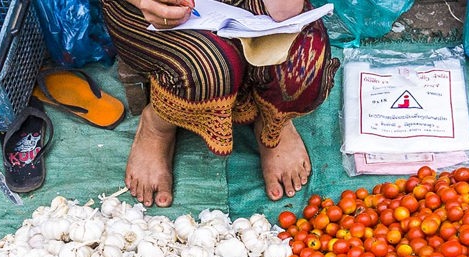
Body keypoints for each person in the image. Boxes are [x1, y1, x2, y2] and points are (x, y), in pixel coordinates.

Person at [103, 0, 335, 205]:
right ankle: (158, 124)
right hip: (146, 11)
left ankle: (273, 124)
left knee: (303, 56)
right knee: (207, 69)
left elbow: (285, 11)